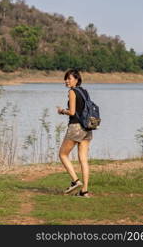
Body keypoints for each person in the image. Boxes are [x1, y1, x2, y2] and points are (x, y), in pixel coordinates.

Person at [57, 69, 92, 198]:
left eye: (69, 78)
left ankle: (75, 181)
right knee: (83, 159)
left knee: (62, 154)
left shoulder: (72, 91)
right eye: (65, 78)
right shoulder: (85, 92)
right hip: (87, 128)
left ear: (76, 80)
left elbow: (72, 112)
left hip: (76, 127)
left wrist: (62, 111)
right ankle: (85, 191)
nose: (66, 81)